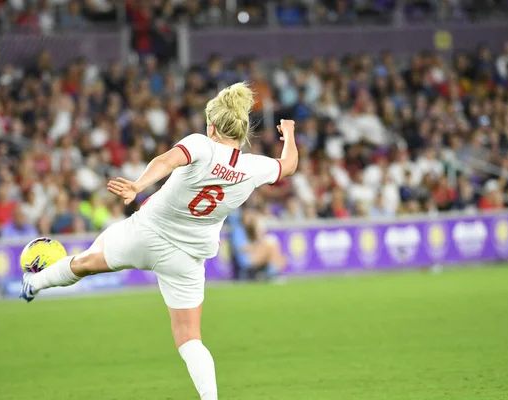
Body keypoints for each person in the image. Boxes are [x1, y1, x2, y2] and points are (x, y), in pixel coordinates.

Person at [19, 82, 299, 400]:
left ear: (211, 125)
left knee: (84, 263)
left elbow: (166, 161)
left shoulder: (201, 145)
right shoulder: (254, 166)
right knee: (190, 339)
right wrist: (288, 133)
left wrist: (138, 186)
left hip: (145, 234)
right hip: (186, 259)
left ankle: (34, 283)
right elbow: (289, 166)